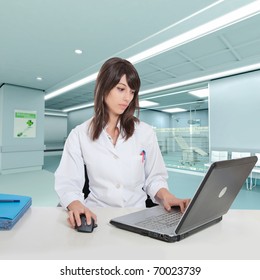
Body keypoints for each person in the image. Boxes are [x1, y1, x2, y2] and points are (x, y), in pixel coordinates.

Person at [55, 57, 190, 229]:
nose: (127, 98)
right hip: (98, 216)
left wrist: (167, 196)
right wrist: (75, 205)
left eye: (132, 92)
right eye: (121, 89)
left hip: (139, 217)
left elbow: (154, 178)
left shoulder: (145, 132)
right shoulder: (79, 135)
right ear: (103, 88)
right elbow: (68, 183)